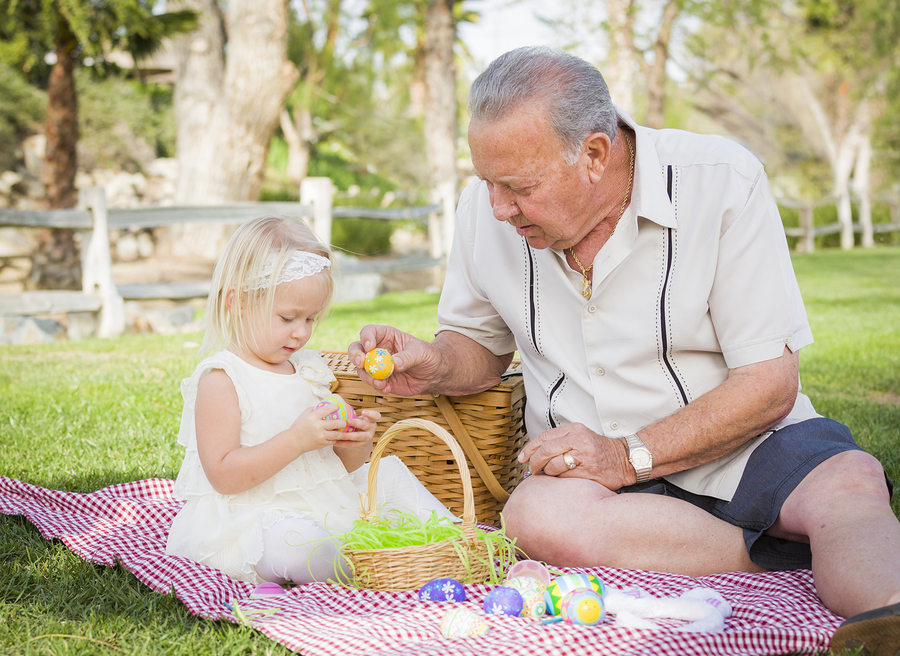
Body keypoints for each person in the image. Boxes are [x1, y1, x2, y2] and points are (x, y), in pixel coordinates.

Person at [349, 47, 900, 653]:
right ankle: (790, 550)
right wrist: (432, 364)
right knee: (533, 518)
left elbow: (769, 385)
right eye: (487, 183)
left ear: (594, 154)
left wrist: (627, 455)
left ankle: (887, 615)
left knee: (848, 484)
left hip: (743, 442)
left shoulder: (720, 181)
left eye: (519, 187)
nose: (500, 208)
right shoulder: (484, 216)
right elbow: (478, 347)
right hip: (587, 479)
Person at [166, 215, 452, 586]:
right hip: (254, 515)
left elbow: (335, 467)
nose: (301, 332)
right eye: (287, 318)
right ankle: (362, 569)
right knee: (297, 545)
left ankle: (458, 545)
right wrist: (296, 439)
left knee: (391, 474)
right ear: (235, 302)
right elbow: (223, 475)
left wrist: (355, 443)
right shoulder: (222, 379)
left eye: (311, 319)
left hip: (324, 503)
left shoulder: (308, 370)